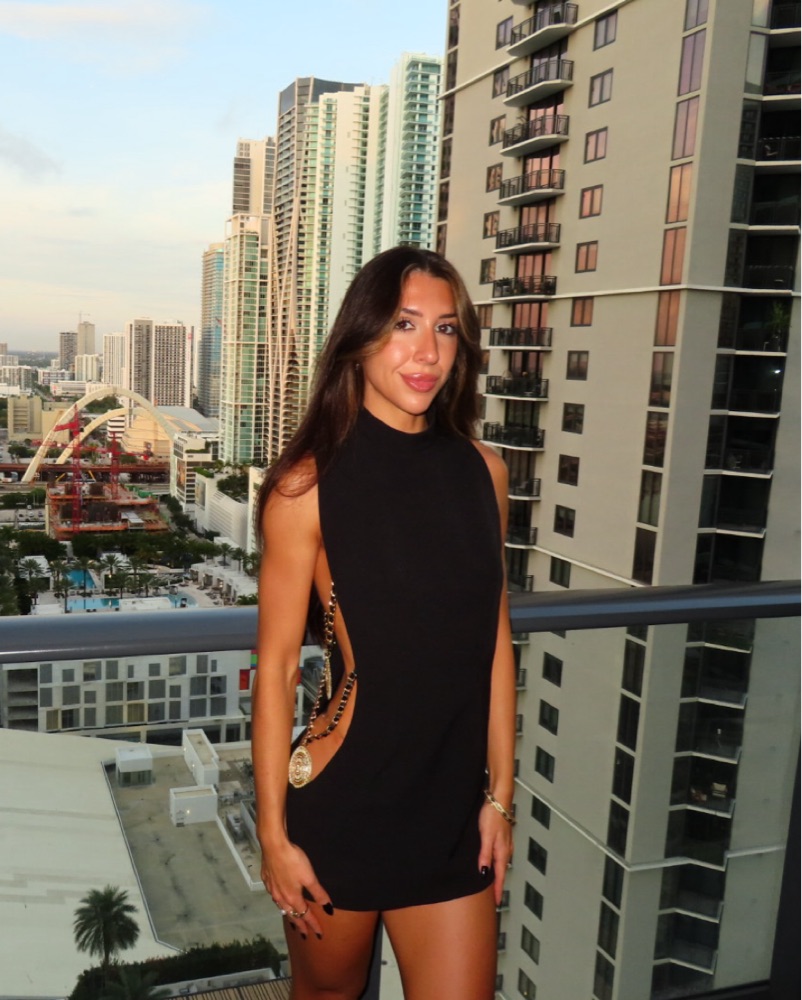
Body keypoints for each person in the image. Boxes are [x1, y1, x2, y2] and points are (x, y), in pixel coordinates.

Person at [252, 246, 516, 1000]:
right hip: (345, 807)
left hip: (450, 814)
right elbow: (276, 670)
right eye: (404, 324)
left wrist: (500, 797)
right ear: (362, 335)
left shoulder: (485, 472)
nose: (427, 351)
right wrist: (273, 835)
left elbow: (494, 642)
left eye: (446, 328)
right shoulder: (307, 485)